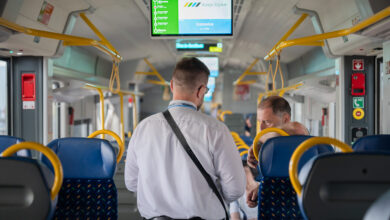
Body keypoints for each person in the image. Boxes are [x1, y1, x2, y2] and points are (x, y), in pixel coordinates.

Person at [125, 57, 246, 219]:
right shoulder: (216, 130)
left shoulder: (142, 128)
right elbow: (235, 190)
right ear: (201, 90)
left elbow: (132, 183)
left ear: (172, 86)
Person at [245, 96, 308, 208]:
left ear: (285, 119)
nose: (261, 128)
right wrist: (261, 188)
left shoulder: (299, 138)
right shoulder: (269, 148)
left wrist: (259, 140)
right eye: (260, 122)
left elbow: (297, 128)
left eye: (267, 122)